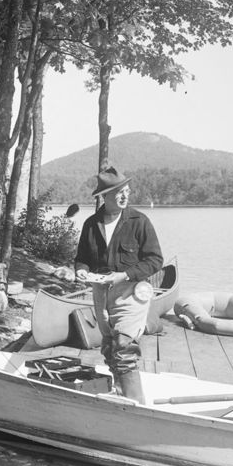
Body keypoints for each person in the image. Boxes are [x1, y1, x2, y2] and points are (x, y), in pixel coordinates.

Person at [73, 165, 163, 403]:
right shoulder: (91, 225)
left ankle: (136, 405)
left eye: (127, 190)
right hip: (101, 292)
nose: (125, 196)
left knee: (124, 346)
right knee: (111, 347)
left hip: (130, 293)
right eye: (119, 192)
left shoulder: (139, 222)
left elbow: (155, 260)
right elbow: (82, 259)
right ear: (105, 196)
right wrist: (81, 271)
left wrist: (124, 275)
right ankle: (121, 399)